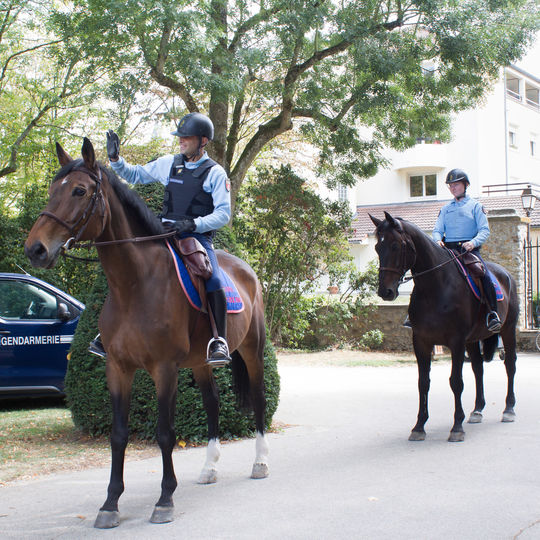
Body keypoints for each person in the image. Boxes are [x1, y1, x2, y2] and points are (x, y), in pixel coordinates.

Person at [89, 112, 232, 365]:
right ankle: (110, 331)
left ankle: (219, 340)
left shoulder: (216, 173)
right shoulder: (170, 163)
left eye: (186, 137)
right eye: (180, 137)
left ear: (203, 141)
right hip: (163, 232)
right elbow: (135, 175)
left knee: (213, 277)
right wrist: (115, 159)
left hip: (196, 237)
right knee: (128, 267)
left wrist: (194, 223)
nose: (181, 141)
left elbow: (223, 214)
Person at [432, 168, 502, 333]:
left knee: (483, 274)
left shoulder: (476, 206)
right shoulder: (445, 209)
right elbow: (437, 230)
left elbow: (484, 230)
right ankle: (416, 313)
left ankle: (493, 314)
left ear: (465, 185)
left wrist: (473, 242)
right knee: (429, 271)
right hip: (448, 250)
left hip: (468, 250)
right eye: (450, 185)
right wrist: (437, 240)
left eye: (456, 184)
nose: (453, 188)